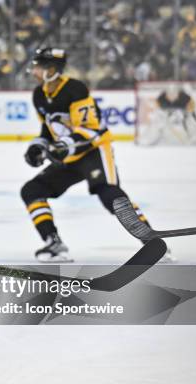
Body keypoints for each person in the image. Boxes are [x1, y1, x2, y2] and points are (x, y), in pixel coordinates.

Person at [20, 47, 171, 262]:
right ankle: (54, 243)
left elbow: (93, 128)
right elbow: (48, 128)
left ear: (51, 69)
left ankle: (153, 243)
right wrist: (39, 146)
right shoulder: (39, 95)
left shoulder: (75, 89)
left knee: (109, 194)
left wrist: (64, 144)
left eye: (38, 66)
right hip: (70, 156)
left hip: (94, 151)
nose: (33, 71)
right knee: (31, 190)